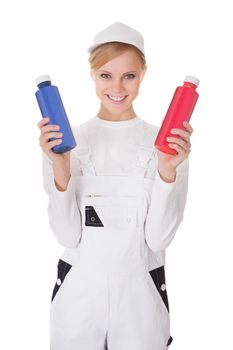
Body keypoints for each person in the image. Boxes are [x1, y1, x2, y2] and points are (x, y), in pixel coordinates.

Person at [37, 22, 192, 350]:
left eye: (129, 76)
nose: (118, 87)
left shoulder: (165, 144)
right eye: (106, 75)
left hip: (142, 300)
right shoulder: (66, 142)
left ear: (144, 73)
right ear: (92, 74)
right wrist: (60, 168)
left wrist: (166, 172)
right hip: (78, 299)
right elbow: (67, 237)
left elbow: (159, 239)